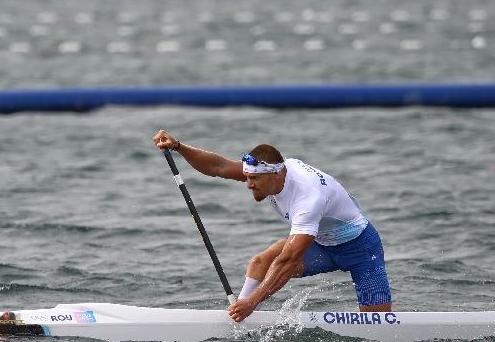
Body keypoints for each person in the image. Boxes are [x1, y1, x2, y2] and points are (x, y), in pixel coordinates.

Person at [153, 130, 393, 322]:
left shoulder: (308, 197)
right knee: (260, 261)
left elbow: (288, 262)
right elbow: (219, 167)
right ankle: (238, 316)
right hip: (323, 246)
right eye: (247, 177)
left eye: (254, 179)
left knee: (377, 325)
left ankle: (246, 307)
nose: (248, 184)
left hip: (362, 250)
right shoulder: (269, 170)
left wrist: (255, 302)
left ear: (276, 175)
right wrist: (178, 147)